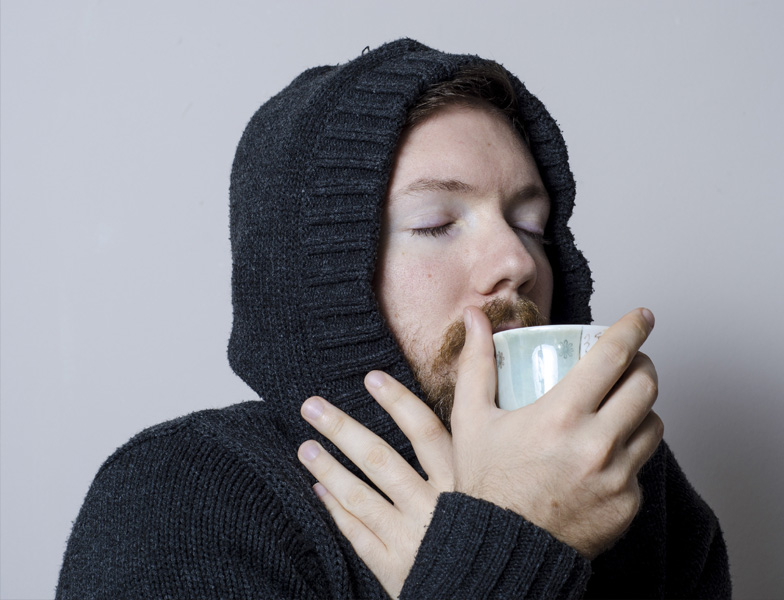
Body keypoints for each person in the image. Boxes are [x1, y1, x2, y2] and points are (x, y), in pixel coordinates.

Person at [57, 38, 731, 599]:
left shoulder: (632, 488)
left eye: (532, 223)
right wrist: (515, 541)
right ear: (320, 279)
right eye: (438, 223)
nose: (516, 261)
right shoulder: (185, 495)